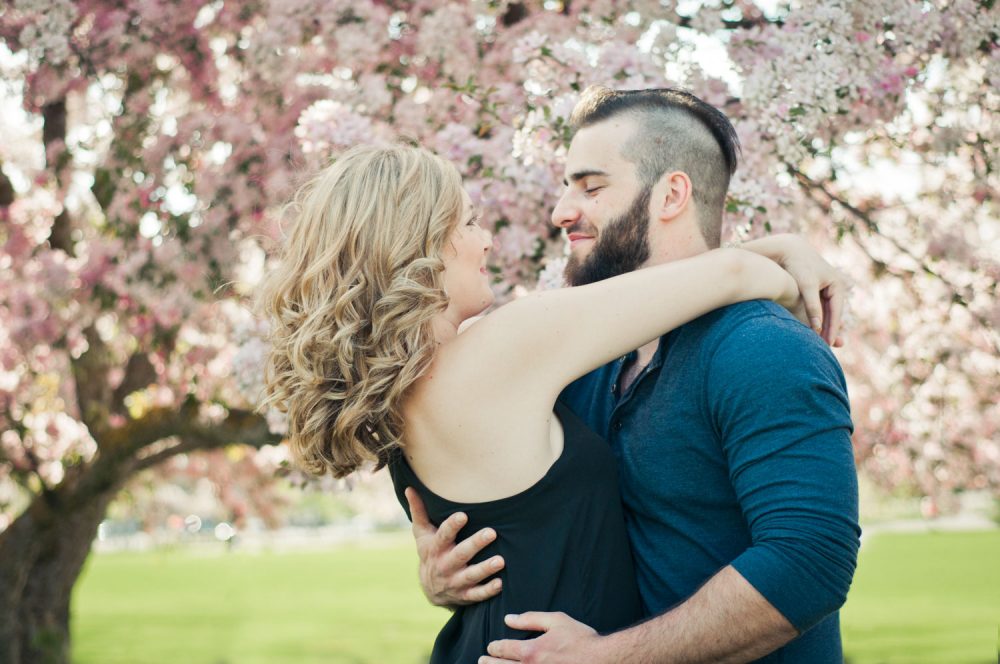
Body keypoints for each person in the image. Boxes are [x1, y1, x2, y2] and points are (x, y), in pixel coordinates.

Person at [254, 140, 844, 663]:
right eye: (467, 222)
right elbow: (734, 273)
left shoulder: (389, 393)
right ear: (417, 246)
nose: (485, 239)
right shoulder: (507, 347)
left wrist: (436, 583)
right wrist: (793, 253)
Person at [408, 87, 861, 664]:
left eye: (591, 187)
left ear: (672, 194)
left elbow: (810, 562)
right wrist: (445, 570)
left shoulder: (762, 349)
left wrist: (609, 656)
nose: (560, 211)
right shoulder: (580, 362)